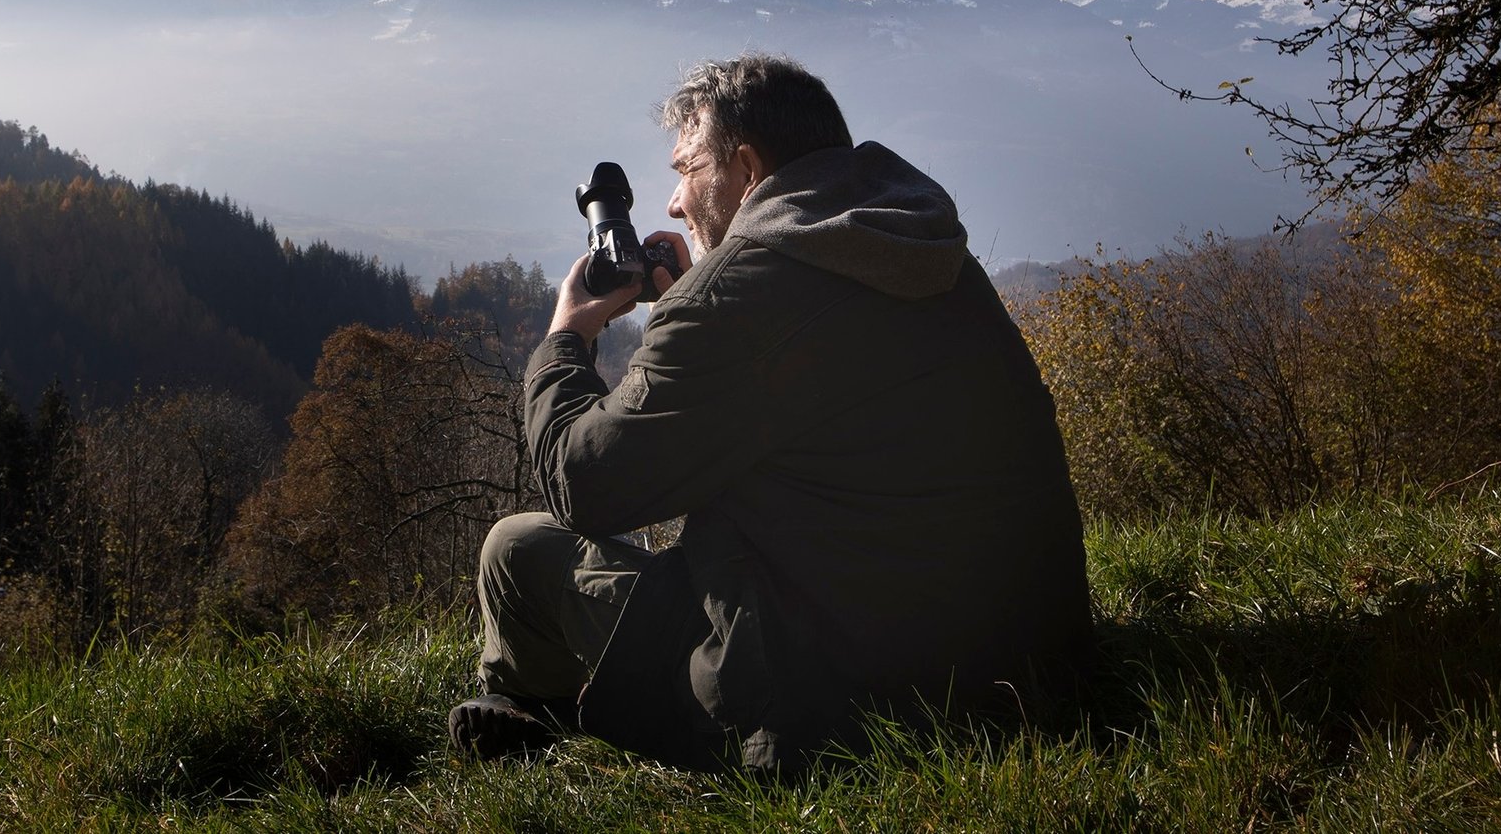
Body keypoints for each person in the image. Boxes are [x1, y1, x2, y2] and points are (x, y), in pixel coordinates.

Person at [449, 53, 1093, 774]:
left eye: (685, 170)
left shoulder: (736, 303)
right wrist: (706, 291)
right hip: (1030, 661)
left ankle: (523, 704)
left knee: (518, 548)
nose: (671, 203)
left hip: (843, 711)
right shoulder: (926, 252)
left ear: (746, 171)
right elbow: (821, 359)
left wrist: (566, 339)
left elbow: (585, 484)